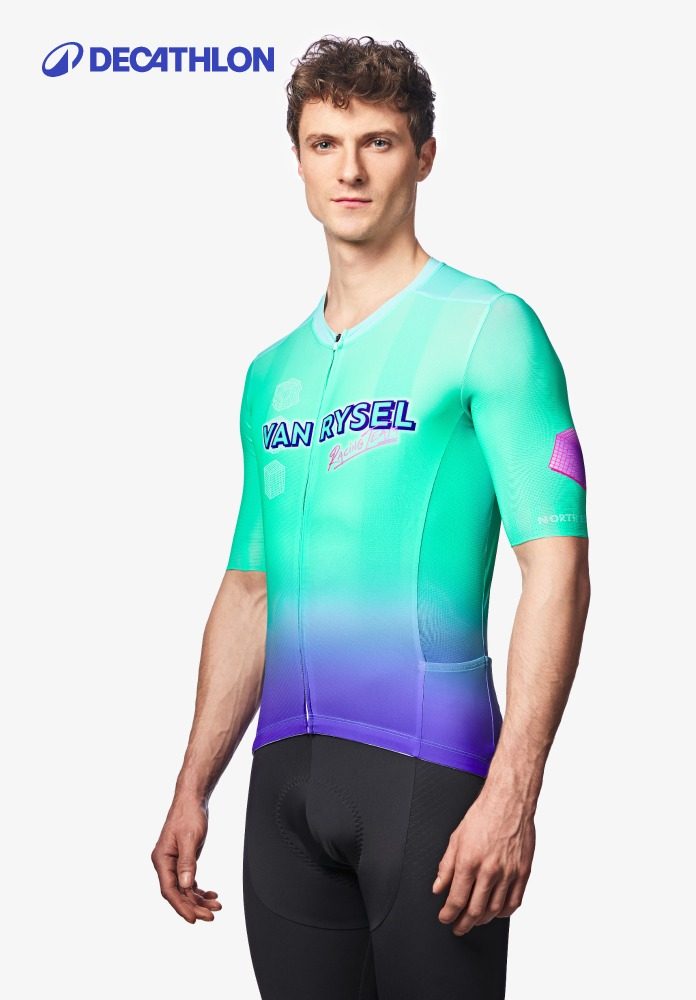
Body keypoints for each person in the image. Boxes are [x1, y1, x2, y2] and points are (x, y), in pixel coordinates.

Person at [152, 34, 590, 999]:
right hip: (283, 790)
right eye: (325, 143)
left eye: (378, 142)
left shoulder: (489, 328)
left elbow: (557, 567)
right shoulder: (272, 373)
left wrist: (514, 789)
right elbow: (249, 589)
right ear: (300, 161)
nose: (349, 170)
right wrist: (192, 784)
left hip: (428, 779)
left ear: (423, 156)